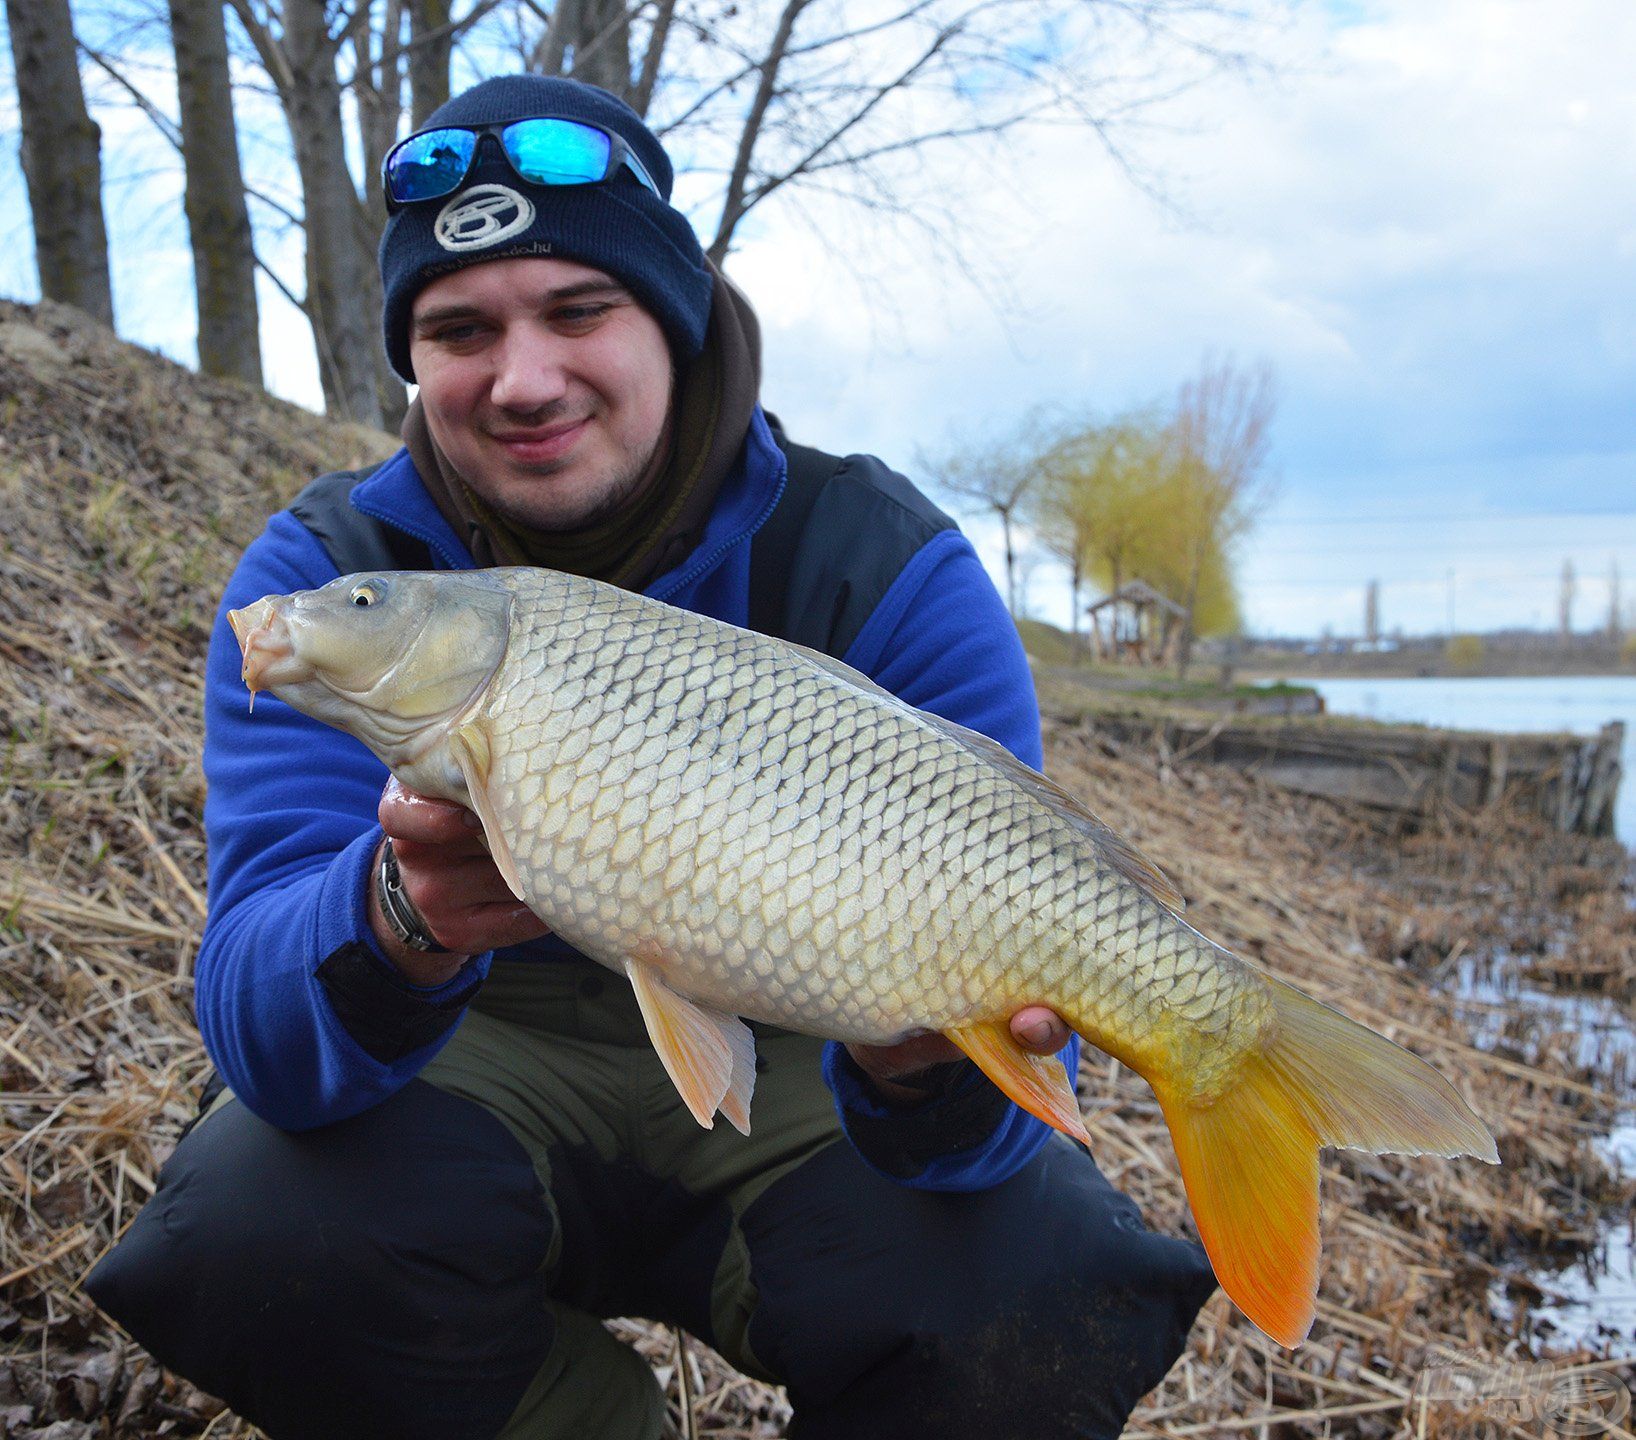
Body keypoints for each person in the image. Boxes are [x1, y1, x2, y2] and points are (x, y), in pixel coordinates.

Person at [87, 74, 1215, 1440]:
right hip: (471, 1068)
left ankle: (1226, 1053)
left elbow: (989, 1145)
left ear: (671, 319)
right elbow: (260, 1036)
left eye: (578, 310)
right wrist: (399, 914)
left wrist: (931, 1067)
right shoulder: (335, 583)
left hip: (809, 1059)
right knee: (246, 1235)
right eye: (458, 330)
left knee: (1047, 1279)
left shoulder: (880, 562)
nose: (523, 378)